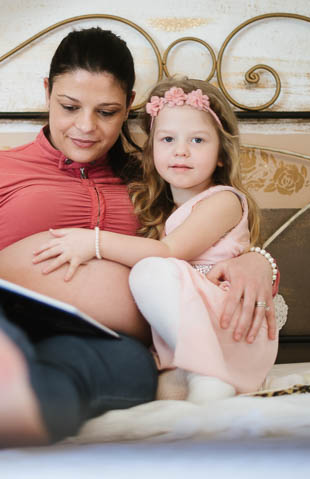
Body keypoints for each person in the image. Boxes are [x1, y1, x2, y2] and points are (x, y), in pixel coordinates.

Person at [0, 28, 278, 455]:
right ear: (47, 92)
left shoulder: (155, 181)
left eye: (107, 112)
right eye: (69, 107)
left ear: (129, 107)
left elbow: (208, 238)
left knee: (105, 368)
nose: (86, 127)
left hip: (102, 344)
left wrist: (258, 262)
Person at [32, 78, 278, 394]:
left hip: (228, 324)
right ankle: (200, 373)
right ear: (151, 149)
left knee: (150, 269)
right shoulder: (163, 212)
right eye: (167, 139)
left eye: (198, 141)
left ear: (221, 154)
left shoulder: (224, 200)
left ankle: (209, 373)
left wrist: (94, 242)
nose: (181, 151)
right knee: (162, 396)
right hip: (184, 340)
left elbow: (170, 251)